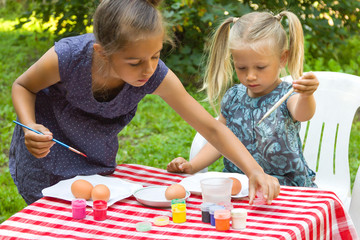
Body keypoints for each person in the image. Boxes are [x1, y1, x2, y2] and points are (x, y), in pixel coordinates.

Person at [9, 0, 279, 205]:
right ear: (102, 53)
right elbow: (23, 85)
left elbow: (211, 128)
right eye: (135, 62)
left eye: (156, 55)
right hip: (44, 155)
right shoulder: (68, 57)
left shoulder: (154, 73)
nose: (149, 69)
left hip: (94, 161)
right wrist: (29, 125)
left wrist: (254, 170)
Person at [167, 11, 319, 188]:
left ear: (282, 58)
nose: (250, 76)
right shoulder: (233, 97)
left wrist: (306, 95)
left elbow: (303, 113)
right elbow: (218, 140)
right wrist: (192, 166)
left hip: (285, 188)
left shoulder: (287, 95)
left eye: (260, 67)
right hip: (240, 186)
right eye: (241, 67)